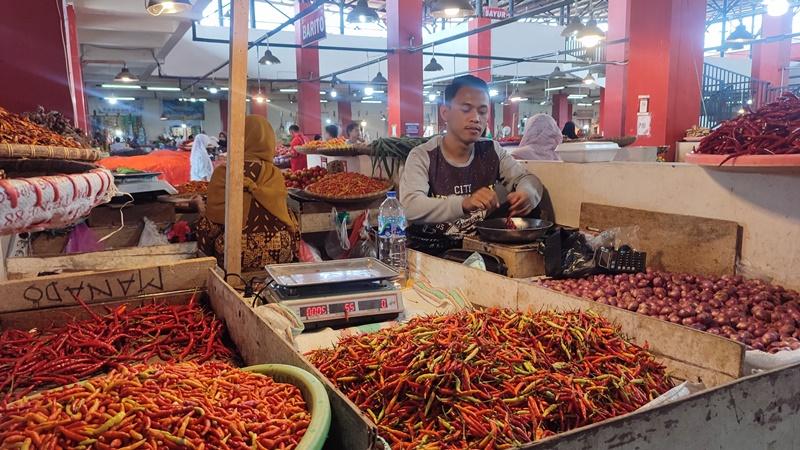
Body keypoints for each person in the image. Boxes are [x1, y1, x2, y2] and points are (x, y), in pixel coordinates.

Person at [399, 75, 544, 252]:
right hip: (431, 255)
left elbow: (526, 178)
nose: (475, 118)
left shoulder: (491, 150)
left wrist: (528, 194)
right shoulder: (423, 156)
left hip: (478, 253)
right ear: (445, 113)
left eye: (482, 111)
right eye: (466, 109)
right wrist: (463, 203)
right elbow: (410, 207)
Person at [197, 115, 300, 271]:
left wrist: (199, 207)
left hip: (234, 255)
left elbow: (213, 222)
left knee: (204, 225)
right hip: (280, 252)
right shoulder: (274, 174)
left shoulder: (225, 172)